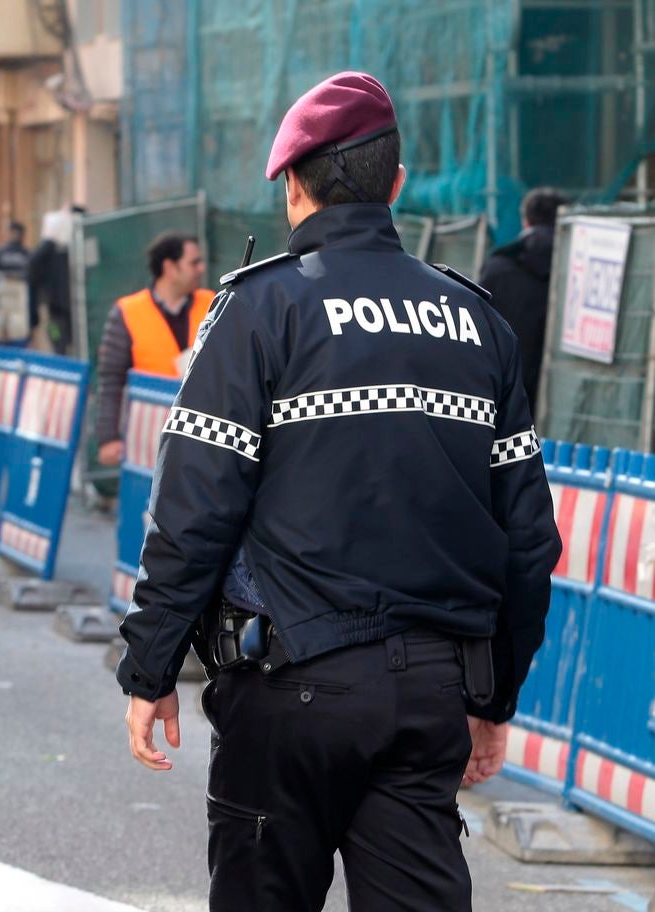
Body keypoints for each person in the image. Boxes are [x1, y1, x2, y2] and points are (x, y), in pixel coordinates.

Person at [116, 71, 561, 911]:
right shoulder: (477, 323)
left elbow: (195, 507)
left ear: (293, 185)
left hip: (288, 690)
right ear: (396, 186)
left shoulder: (258, 310)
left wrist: (150, 665)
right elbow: (529, 538)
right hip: (431, 692)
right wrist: (495, 695)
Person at [93, 232, 210, 467]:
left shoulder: (213, 303)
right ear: (170, 267)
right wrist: (108, 438)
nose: (202, 268)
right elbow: (111, 381)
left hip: (201, 437)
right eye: (194, 262)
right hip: (147, 440)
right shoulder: (127, 312)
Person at [478, 187, 569, 414]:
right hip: (564, 393)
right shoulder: (575, 266)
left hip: (508, 386)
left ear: (525, 220)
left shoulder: (498, 266)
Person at [26, 207, 76, 354]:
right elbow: (32, 266)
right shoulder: (48, 251)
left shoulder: (72, 249)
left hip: (68, 308)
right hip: (55, 309)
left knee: (62, 338)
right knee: (56, 338)